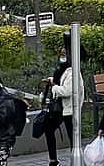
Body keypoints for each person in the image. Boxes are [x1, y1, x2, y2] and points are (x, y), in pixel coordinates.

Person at [42, 35, 83, 166]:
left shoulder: (72, 71)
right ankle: (53, 160)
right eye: (61, 53)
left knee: (73, 138)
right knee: (48, 129)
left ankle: (76, 161)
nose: (62, 56)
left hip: (69, 109)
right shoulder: (62, 70)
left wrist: (54, 86)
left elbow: (66, 91)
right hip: (59, 107)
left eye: (65, 53)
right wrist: (51, 81)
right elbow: (61, 81)